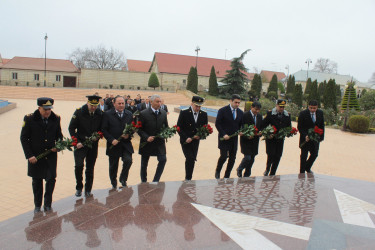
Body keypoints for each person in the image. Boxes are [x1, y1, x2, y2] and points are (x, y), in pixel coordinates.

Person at [20, 97, 63, 213]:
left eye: (49, 109)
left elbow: (59, 136)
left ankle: (48, 204)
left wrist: (58, 146)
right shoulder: (29, 119)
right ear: (39, 108)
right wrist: (29, 155)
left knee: (51, 179)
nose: (47, 112)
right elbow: (24, 138)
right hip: (36, 157)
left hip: (50, 156)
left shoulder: (56, 118)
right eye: (45, 109)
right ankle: (37, 205)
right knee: (37, 181)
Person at [68, 95, 103, 197]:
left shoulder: (100, 113)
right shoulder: (79, 112)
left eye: (95, 105)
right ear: (87, 103)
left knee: (90, 168)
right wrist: (76, 141)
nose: (93, 107)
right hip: (80, 145)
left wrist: (99, 136)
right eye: (91, 105)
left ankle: (88, 189)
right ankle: (79, 187)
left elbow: (102, 128)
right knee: (79, 166)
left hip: (92, 145)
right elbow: (71, 128)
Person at [101, 96, 134, 188]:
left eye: (123, 103)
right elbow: (104, 129)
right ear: (114, 104)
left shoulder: (129, 114)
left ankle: (123, 178)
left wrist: (129, 135)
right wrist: (111, 140)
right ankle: (113, 182)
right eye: (119, 103)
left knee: (128, 160)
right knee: (113, 166)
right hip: (113, 144)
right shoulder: (107, 114)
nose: (121, 105)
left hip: (125, 144)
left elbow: (132, 129)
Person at [137, 94, 168, 182]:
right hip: (147, 143)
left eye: (160, 101)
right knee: (144, 164)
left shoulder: (164, 113)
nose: (159, 103)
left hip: (159, 143)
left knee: (163, 160)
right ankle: (143, 181)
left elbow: (166, 127)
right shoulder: (143, 114)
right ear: (151, 102)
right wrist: (146, 137)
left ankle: (156, 180)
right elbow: (139, 129)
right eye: (157, 101)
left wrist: (166, 133)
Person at [177, 96, 208, 181]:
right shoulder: (184, 112)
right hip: (185, 141)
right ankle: (188, 178)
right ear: (191, 104)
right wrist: (185, 137)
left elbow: (205, 129)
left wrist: (200, 136)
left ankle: (189, 177)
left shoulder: (204, 114)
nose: (198, 108)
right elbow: (179, 127)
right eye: (196, 106)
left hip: (195, 141)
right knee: (190, 158)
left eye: (199, 106)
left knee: (192, 159)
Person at [215, 94, 244, 179]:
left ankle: (227, 175)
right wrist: (223, 134)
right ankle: (218, 170)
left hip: (234, 139)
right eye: (236, 102)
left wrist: (242, 130)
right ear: (231, 101)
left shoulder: (240, 112)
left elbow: (241, 124)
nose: (237, 104)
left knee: (232, 158)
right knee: (223, 156)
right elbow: (218, 124)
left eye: (239, 103)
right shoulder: (222, 110)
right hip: (224, 138)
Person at [262, 99, 292, 176]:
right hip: (271, 139)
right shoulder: (270, 114)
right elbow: (263, 125)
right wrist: (268, 133)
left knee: (278, 155)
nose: (282, 108)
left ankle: (273, 172)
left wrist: (289, 133)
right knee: (271, 154)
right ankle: (267, 169)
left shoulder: (287, 115)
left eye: (283, 107)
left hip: (280, 139)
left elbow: (289, 127)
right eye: (280, 106)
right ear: (276, 106)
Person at [236, 101, 263, 177]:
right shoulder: (245, 115)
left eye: (259, 110)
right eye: (256, 109)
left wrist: (261, 132)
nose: (257, 111)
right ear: (251, 107)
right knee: (247, 157)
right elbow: (240, 126)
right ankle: (240, 168)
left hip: (255, 140)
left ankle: (247, 174)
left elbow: (261, 127)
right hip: (246, 140)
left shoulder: (260, 116)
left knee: (252, 158)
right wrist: (244, 134)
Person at [297, 100, 325, 173]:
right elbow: (300, 127)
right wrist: (305, 135)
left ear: (317, 107)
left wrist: (321, 137)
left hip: (315, 138)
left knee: (315, 154)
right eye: (311, 108)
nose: (312, 110)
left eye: (314, 108)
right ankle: (302, 171)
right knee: (304, 155)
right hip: (305, 139)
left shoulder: (320, 113)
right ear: (308, 106)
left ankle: (307, 167)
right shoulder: (303, 113)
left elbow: (322, 125)